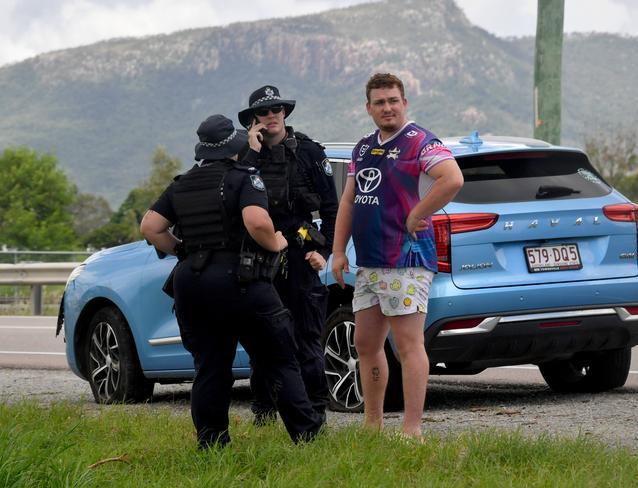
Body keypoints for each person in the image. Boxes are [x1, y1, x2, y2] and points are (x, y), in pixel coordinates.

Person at [140, 114, 322, 448]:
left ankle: (211, 444)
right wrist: (278, 242)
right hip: (242, 281)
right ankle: (308, 438)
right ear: (235, 147)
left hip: (191, 285)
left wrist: (182, 249)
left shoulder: (182, 183)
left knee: (210, 366)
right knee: (279, 359)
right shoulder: (243, 177)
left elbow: (150, 227)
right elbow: (256, 221)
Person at [331, 73, 464, 438]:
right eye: (379, 102)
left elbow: (451, 179)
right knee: (366, 345)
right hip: (369, 262)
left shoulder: (420, 141)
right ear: (368, 107)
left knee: (408, 345)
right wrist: (339, 251)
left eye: (393, 100)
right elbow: (349, 200)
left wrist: (418, 214)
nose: (387, 107)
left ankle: (412, 431)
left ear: (404, 102)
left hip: (406, 261)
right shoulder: (361, 148)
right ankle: (372, 428)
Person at [237, 85, 339, 425]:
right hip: (258, 258)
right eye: (264, 112)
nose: (272, 116)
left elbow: (332, 208)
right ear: (254, 120)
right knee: (260, 337)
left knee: (306, 337)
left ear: (285, 113)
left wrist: (324, 250)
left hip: (299, 254)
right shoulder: (244, 157)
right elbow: (233, 200)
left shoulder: (309, 152)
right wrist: (251, 153)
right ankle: (264, 410)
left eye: (277, 109)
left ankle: (314, 413)